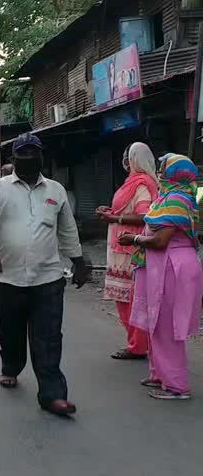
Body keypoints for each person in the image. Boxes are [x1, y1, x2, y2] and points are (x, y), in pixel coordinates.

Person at [0, 133, 88, 417]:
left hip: (48, 277)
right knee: (10, 331)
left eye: (32, 154)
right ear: (12, 160)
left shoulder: (56, 191)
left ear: (41, 158)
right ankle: (11, 366)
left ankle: (53, 395)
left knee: (48, 337)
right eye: (21, 154)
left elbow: (67, 231)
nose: (27, 159)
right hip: (7, 278)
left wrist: (79, 262)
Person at [118, 154, 202, 400]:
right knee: (154, 322)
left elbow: (160, 239)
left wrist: (133, 239)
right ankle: (159, 374)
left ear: (175, 173)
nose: (160, 171)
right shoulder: (167, 196)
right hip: (160, 266)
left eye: (164, 167)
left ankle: (177, 386)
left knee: (167, 327)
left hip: (172, 265)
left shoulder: (177, 198)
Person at [96, 143, 158, 360]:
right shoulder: (131, 183)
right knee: (125, 299)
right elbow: (127, 209)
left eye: (127, 157)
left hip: (131, 249)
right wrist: (111, 212)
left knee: (132, 300)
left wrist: (115, 218)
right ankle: (140, 342)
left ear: (135, 159)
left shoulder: (142, 184)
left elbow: (144, 215)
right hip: (120, 247)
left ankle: (138, 345)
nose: (124, 161)